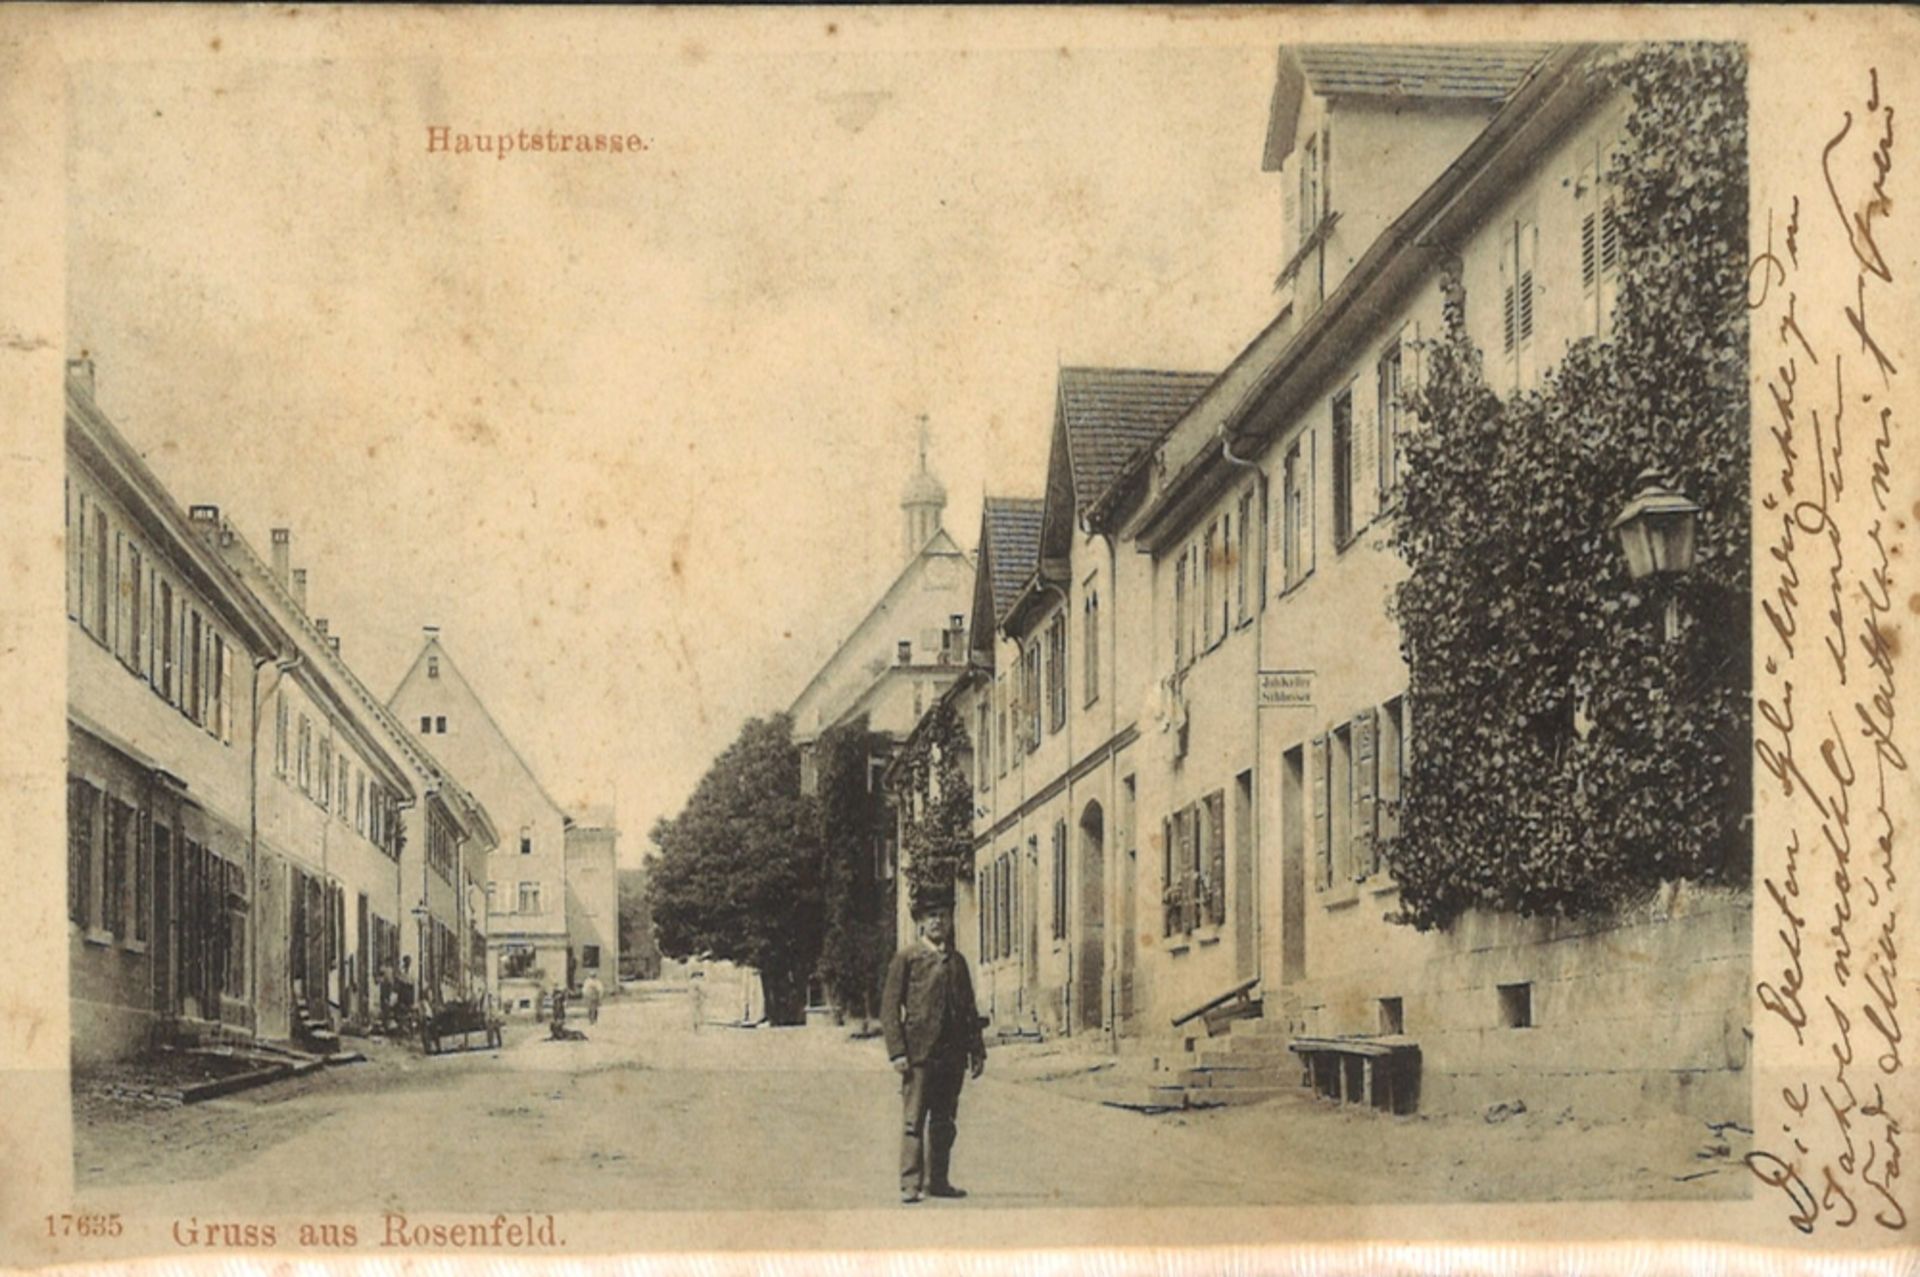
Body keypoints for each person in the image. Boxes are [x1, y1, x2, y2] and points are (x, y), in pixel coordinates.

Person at [881, 900, 986, 1204]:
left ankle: (938, 1181)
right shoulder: (908, 958)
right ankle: (910, 1184)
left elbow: (968, 1010)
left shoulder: (958, 962)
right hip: (918, 1054)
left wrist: (976, 1050)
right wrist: (898, 1052)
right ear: (921, 923)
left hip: (951, 1057)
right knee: (914, 1119)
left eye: (943, 915)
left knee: (944, 1121)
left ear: (951, 921)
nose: (938, 921)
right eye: (931, 916)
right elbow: (890, 1008)